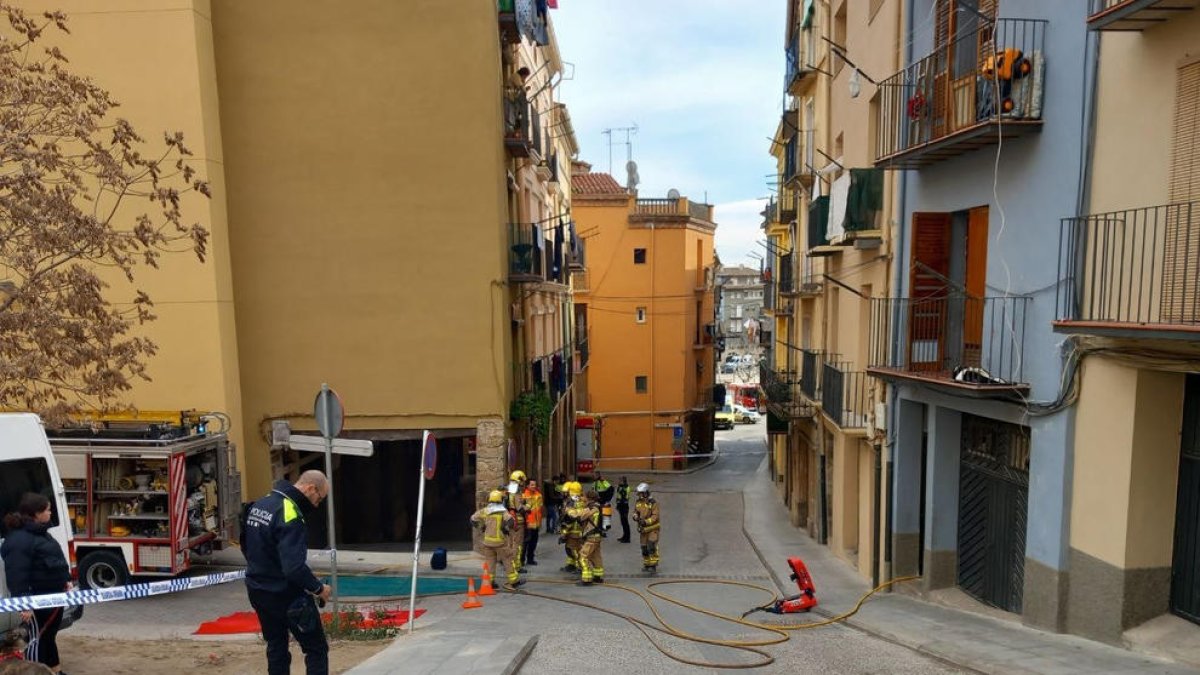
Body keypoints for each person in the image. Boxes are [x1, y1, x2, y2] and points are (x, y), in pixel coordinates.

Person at [242, 470, 332, 675]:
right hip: (287, 596)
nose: (317, 505)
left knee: (276, 646)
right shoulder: (290, 513)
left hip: (258, 590)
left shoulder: (261, 504)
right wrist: (319, 588)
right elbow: (293, 568)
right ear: (310, 489)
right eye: (319, 499)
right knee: (316, 649)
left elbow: (246, 545)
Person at [1, 493, 70, 674]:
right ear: (36, 513)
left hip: (53, 597)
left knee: (48, 637)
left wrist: (65, 580)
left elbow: (54, 560)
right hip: (37, 600)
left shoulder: (41, 533)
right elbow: (17, 575)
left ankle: (55, 671)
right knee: (37, 639)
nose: (50, 512)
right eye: (47, 509)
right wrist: (24, 604)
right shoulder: (20, 540)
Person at [470, 490, 520, 590]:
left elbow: (473, 519)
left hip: (488, 542)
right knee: (507, 560)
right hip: (500, 542)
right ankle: (513, 581)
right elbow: (510, 521)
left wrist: (482, 527)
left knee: (490, 563)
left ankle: (490, 582)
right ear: (500, 499)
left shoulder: (485, 511)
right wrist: (505, 529)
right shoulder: (502, 512)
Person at [576, 490, 605, 586]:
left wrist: (570, 510)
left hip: (591, 537)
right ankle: (598, 576)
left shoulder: (591, 508)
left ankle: (587, 579)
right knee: (596, 557)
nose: (583, 498)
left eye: (584, 497)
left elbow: (580, 517)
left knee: (582, 556)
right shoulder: (598, 506)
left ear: (589, 498)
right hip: (597, 536)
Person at [505, 471, 529, 573]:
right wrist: (527, 507)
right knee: (517, 544)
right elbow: (519, 508)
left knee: (510, 543)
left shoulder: (508, 490)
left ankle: (510, 564)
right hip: (517, 520)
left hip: (509, 519)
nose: (523, 483)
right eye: (522, 481)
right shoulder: (517, 491)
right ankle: (516, 566)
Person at [633, 483, 661, 573]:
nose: (639, 495)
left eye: (640, 493)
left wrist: (646, 521)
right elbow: (635, 511)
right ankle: (647, 564)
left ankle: (653, 565)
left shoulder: (652, 503)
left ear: (645, 492)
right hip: (643, 529)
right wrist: (635, 516)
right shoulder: (638, 502)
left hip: (653, 528)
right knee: (644, 547)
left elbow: (655, 516)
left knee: (651, 545)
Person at [558, 482, 584, 573]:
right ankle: (571, 564)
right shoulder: (575, 500)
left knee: (573, 549)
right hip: (574, 530)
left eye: (566, 492)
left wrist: (564, 533)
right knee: (570, 547)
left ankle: (579, 566)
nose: (564, 494)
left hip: (574, 530)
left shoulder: (573, 503)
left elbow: (569, 519)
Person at [521, 479, 543, 566]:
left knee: (533, 543)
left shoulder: (539, 495)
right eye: (532, 485)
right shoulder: (523, 496)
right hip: (528, 523)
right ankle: (521, 560)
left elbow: (540, 508)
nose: (534, 486)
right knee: (525, 542)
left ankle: (530, 559)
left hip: (536, 523)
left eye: (535, 485)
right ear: (527, 486)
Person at [615, 476, 632, 543]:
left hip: (624, 506)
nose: (618, 481)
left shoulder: (625, 488)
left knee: (625, 522)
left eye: (620, 480)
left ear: (623, 481)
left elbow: (624, 498)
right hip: (621, 506)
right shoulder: (620, 487)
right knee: (623, 522)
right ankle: (624, 536)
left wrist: (619, 504)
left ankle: (627, 538)